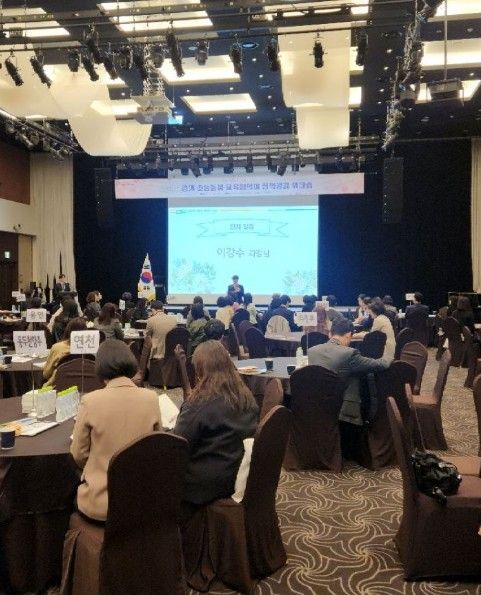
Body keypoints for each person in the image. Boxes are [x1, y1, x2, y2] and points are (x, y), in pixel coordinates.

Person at [71, 340, 161, 522]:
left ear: (100, 366)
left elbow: (78, 454)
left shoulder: (90, 401)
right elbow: (157, 447)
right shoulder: (151, 398)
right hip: (142, 500)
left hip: (100, 504)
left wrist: (96, 467)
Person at [174, 340, 258, 506]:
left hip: (207, 485)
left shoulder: (199, 404)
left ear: (200, 371)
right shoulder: (246, 396)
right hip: (239, 474)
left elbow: (178, 446)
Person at [308, 318, 392, 426]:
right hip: (341, 411)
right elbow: (380, 365)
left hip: (316, 407)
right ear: (348, 335)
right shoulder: (349, 354)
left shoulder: (312, 351)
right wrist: (390, 356)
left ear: (330, 334)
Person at [43, 318, 87, 387]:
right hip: (86, 386)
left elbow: (46, 374)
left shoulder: (57, 348)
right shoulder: (92, 350)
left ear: (68, 330)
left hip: (59, 387)